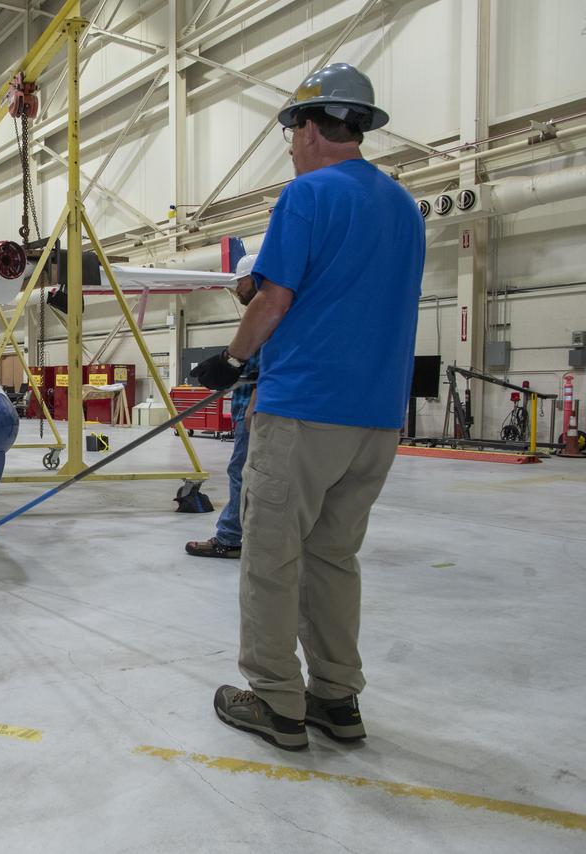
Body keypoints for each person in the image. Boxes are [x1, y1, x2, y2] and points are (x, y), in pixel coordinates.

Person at [192, 63, 425, 751]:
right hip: (377, 417)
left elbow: (274, 299)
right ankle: (335, 697)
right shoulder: (403, 206)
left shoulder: (307, 194)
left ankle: (275, 700)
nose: (291, 144)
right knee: (334, 557)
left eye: (291, 130)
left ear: (310, 127)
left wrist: (230, 360)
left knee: (271, 556)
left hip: (303, 409)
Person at [185, 253, 259, 559]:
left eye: (240, 282)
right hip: (248, 407)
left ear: (254, 278)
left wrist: (253, 406)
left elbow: (269, 367)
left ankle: (230, 538)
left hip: (256, 411)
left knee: (242, 473)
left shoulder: (269, 311)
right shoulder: (267, 312)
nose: (237, 289)